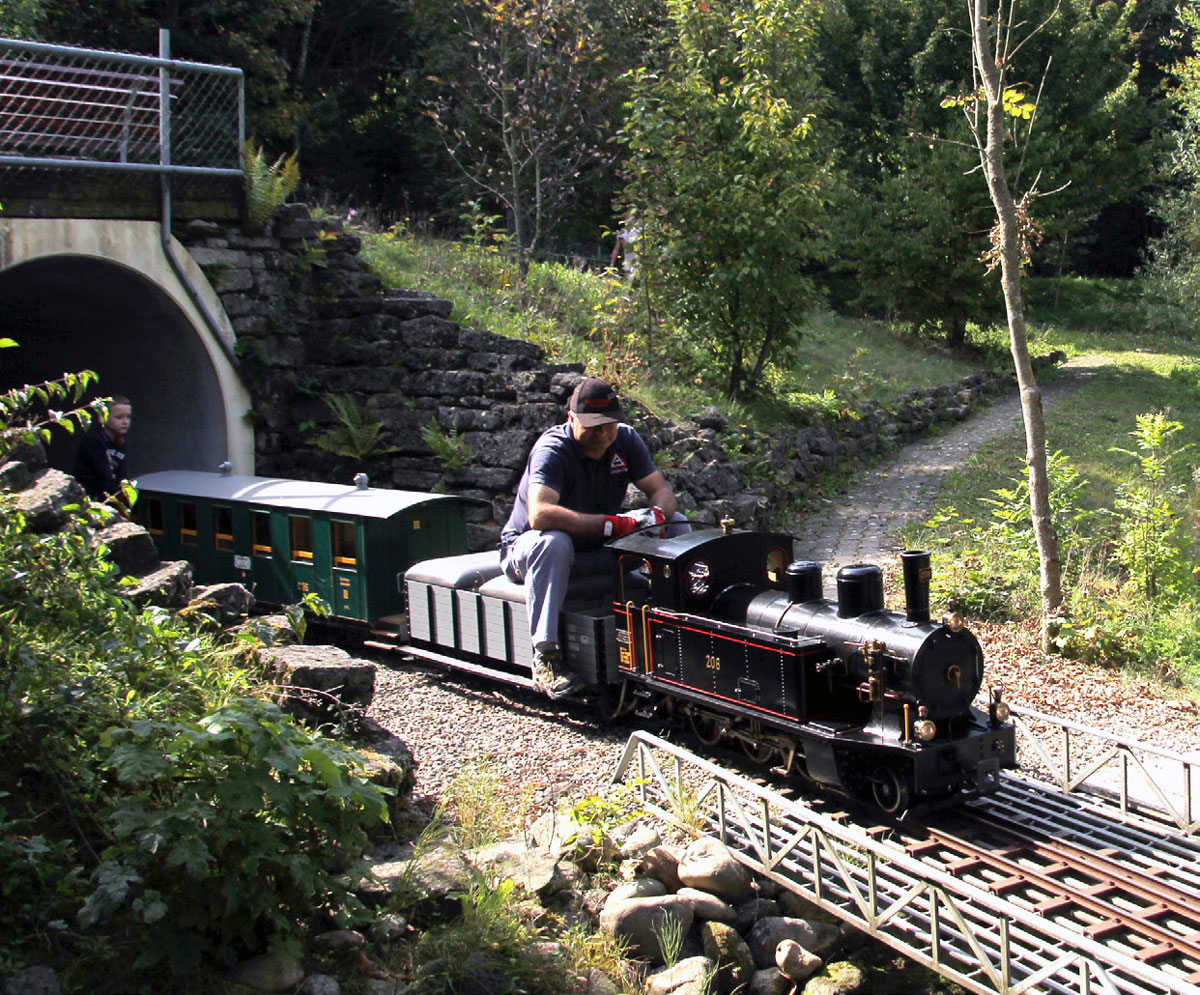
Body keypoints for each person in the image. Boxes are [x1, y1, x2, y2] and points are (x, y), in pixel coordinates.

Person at [500, 377, 689, 697]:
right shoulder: (552, 450)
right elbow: (540, 516)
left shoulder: (626, 441)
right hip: (531, 550)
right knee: (553, 541)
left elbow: (661, 491)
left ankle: (682, 621)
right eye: (593, 425)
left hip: (596, 548)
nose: (602, 432)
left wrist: (656, 516)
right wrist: (611, 526)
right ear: (570, 418)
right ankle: (545, 657)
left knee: (679, 524)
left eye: (609, 424)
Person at [73, 396, 132, 504]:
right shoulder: (93, 439)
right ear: (101, 418)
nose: (125, 422)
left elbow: (122, 476)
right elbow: (103, 475)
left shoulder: (122, 442)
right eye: (119, 417)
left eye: (128, 417)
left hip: (111, 494)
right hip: (91, 497)